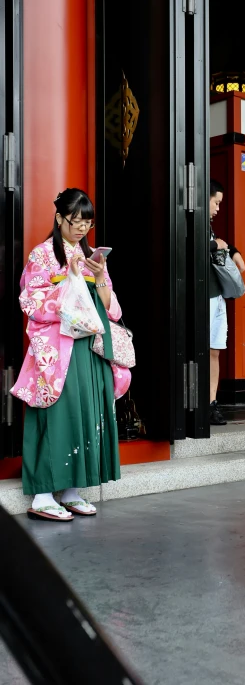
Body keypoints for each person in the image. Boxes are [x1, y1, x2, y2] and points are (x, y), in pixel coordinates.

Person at [11, 188, 131, 521]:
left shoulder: (92, 255)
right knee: (55, 416)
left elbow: (111, 309)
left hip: (88, 348)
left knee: (86, 414)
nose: (81, 229)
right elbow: (31, 303)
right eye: (75, 221)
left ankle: (73, 490)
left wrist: (99, 275)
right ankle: (43, 494)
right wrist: (70, 280)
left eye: (86, 223)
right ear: (59, 218)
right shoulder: (42, 256)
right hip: (57, 348)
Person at [209, 179, 245, 425]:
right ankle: (199, 404)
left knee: (214, 353)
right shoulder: (192, 221)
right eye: (216, 202)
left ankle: (212, 403)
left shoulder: (208, 226)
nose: (218, 208)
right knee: (202, 351)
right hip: (204, 297)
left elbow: (222, 243)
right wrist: (215, 245)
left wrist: (233, 250)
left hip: (217, 297)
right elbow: (185, 246)